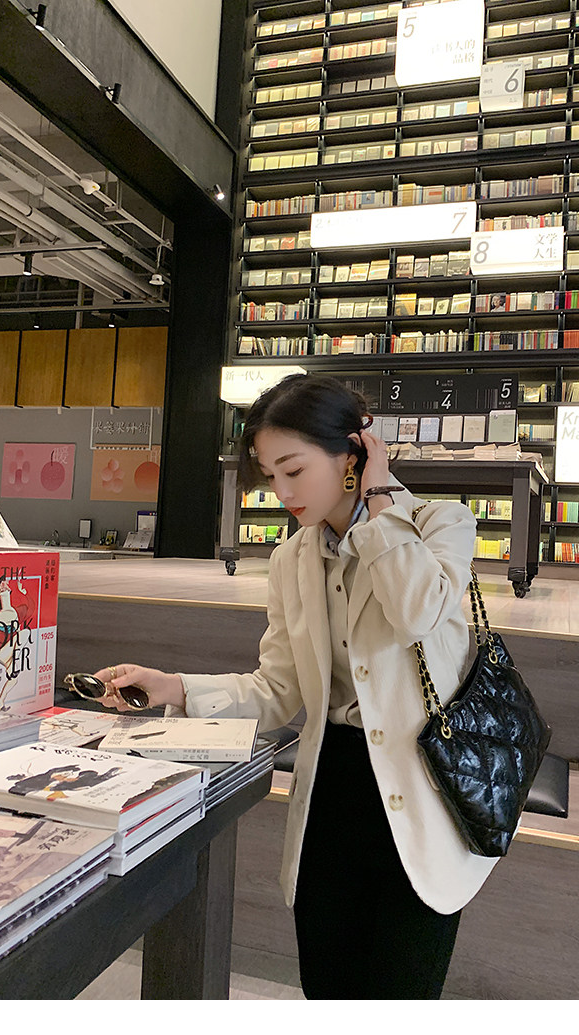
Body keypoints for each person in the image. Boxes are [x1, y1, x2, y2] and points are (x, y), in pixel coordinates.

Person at [94, 374, 499, 999]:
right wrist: (172, 687)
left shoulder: (440, 525)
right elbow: (278, 690)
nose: (282, 493)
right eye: (270, 475)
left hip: (423, 791)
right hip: (330, 791)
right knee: (326, 986)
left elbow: (416, 614)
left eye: (294, 469)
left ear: (353, 453)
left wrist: (381, 498)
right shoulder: (292, 559)